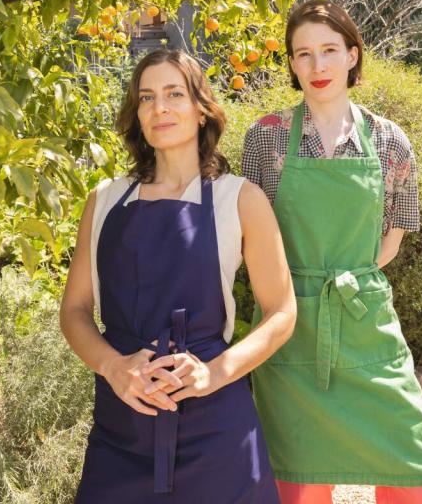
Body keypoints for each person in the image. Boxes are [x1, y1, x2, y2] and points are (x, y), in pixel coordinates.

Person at [242, 0, 422, 504]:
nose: (318, 67)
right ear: (292, 64)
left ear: (353, 55)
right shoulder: (265, 137)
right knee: (299, 488)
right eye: (304, 54)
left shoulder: (389, 140)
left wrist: (344, 278)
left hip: (365, 325)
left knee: (420, 476)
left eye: (330, 51)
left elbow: (391, 242)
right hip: (289, 328)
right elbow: (249, 240)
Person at [60, 48, 296, 503]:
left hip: (216, 428)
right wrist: (114, 366)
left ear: (201, 109)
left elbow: (282, 312)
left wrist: (214, 373)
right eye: (146, 98)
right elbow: (74, 310)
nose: (160, 108)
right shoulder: (105, 200)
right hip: (121, 422)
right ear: (136, 114)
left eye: (174, 94)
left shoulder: (240, 199)